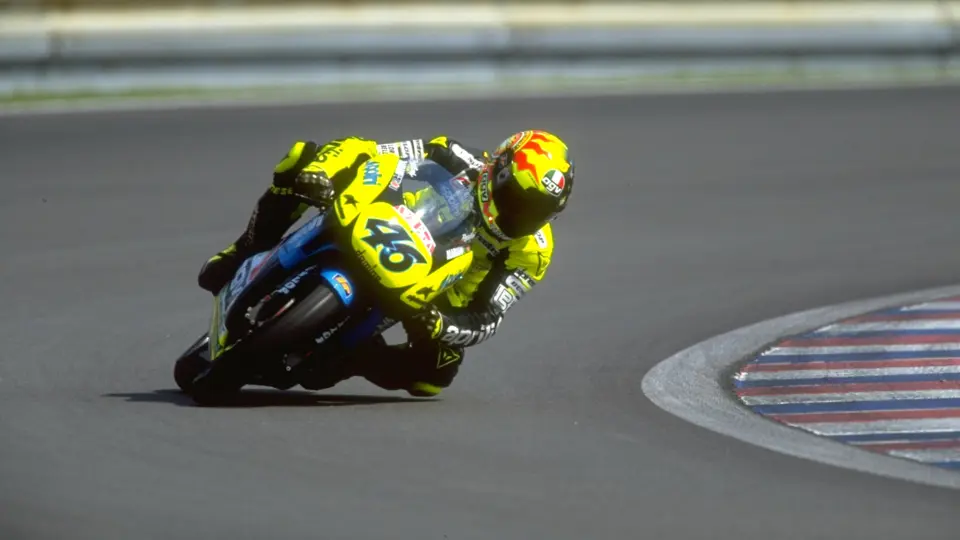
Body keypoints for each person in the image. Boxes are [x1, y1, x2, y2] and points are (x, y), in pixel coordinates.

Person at [197, 131, 575, 397]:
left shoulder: (533, 251)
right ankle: (242, 251)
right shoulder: (455, 155)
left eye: (537, 211)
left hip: (436, 299)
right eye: (517, 198)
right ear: (498, 168)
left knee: (435, 376)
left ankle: (355, 356)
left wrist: (445, 324)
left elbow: (491, 314)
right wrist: (325, 174)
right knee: (300, 160)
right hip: (395, 229)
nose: (521, 214)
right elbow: (373, 152)